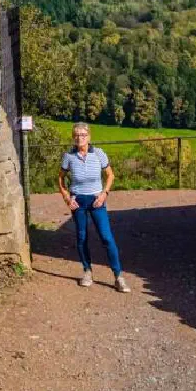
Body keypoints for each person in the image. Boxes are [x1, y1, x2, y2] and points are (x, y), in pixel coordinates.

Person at [59, 123, 130, 293]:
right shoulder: (68, 156)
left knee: (106, 237)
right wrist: (67, 197)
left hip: (97, 201)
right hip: (78, 202)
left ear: (89, 137)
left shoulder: (99, 153)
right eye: (77, 135)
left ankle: (118, 276)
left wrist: (104, 193)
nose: (80, 138)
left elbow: (110, 175)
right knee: (82, 237)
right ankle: (87, 271)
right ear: (73, 137)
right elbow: (60, 178)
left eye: (83, 135)